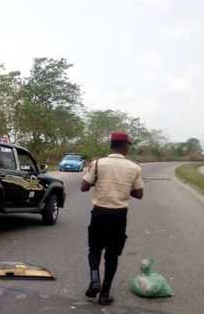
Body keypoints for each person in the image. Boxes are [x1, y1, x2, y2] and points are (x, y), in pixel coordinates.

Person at [81, 131, 144, 305]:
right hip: (118, 216)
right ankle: (104, 294)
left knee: (94, 249)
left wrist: (97, 181)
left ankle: (95, 280)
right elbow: (139, 194)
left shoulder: (98, 163)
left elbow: (84, 187)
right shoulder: (134, 168)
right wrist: (125, 187)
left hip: (99, 213)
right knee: (112, 255)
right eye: (128, 145)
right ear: (125, 146)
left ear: (111, 144)